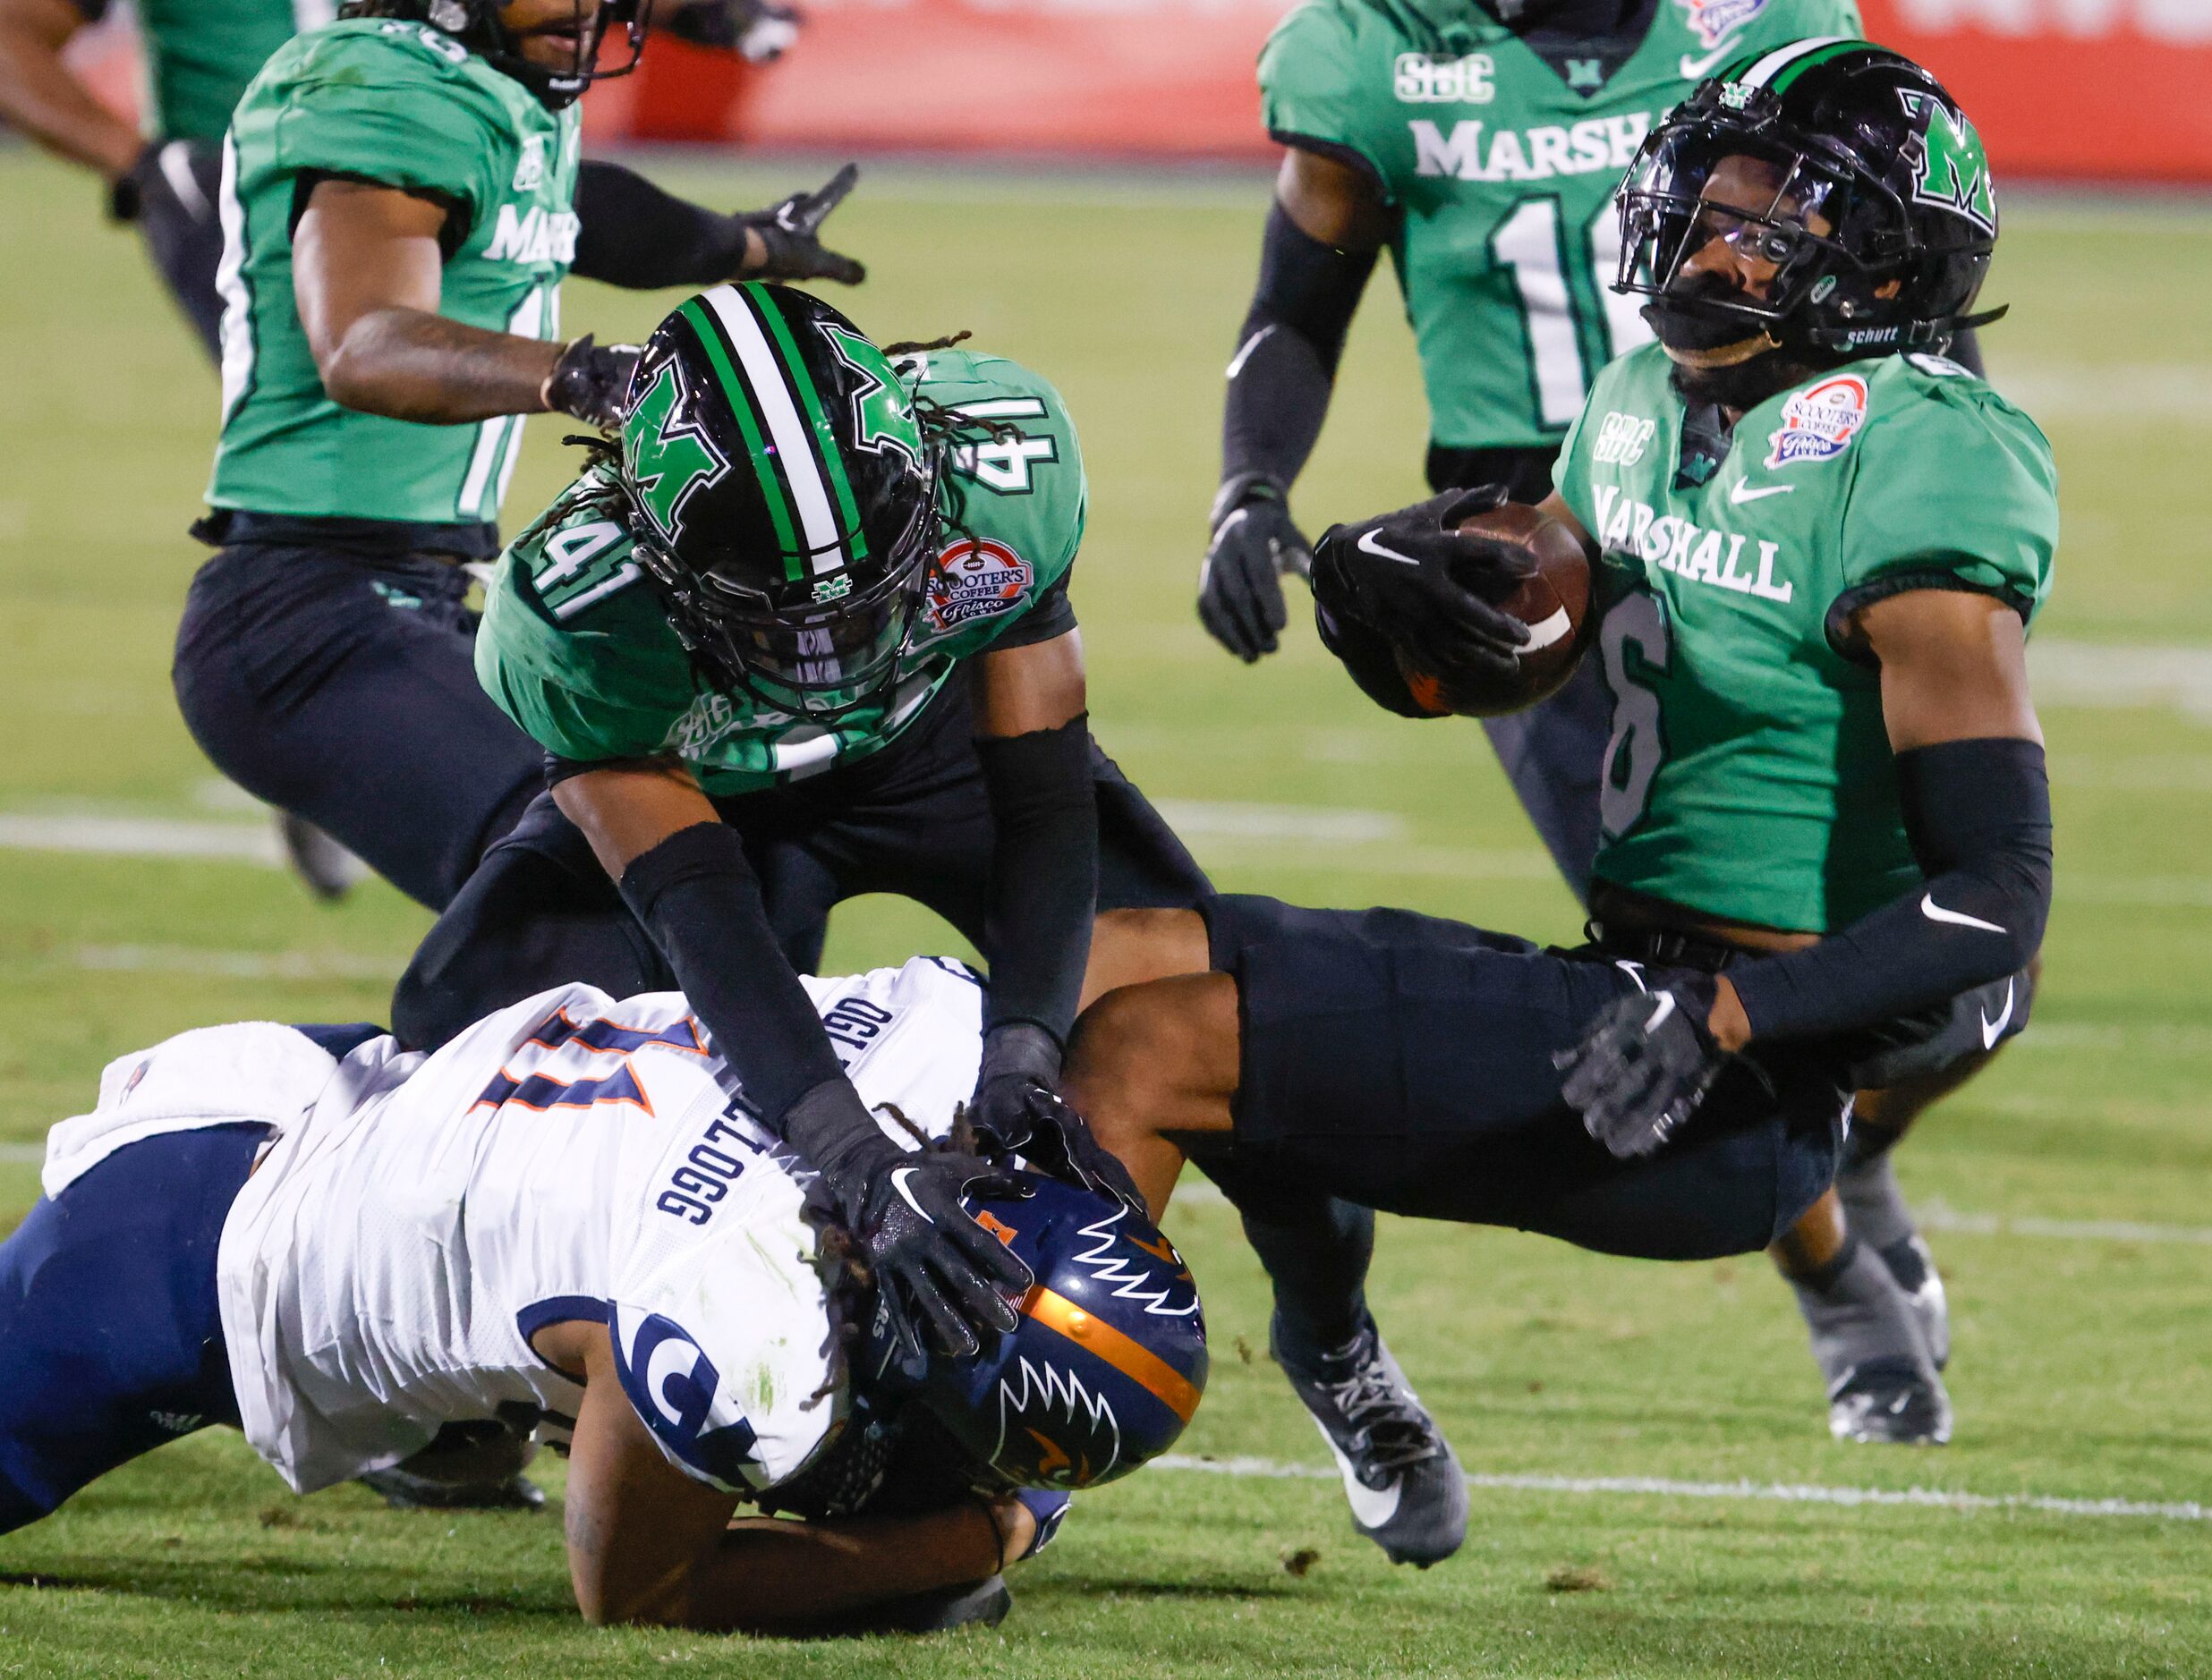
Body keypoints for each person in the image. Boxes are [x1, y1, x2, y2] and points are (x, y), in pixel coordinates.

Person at [1093, 39, 2051, 1561]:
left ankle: (988, 1479)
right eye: (1702, 208)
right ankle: (1332, 1343)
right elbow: (1515, 634)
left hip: (1712, 1085)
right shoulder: (1639, 397)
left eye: (1763, 224)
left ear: (1878, 262)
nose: (1704, 243)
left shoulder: (1921, 452)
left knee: (1156, 1036)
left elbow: (1996, 897)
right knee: (1138, 952)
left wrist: (1730, 1018)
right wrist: (1397, 601)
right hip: (1623, 985)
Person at [393, 282, 1212, 1379]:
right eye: (787, 615)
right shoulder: (574, 616)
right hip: (713, 776)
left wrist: (1025, 1051)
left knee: (1222, 1003)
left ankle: (1330, 1327)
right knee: (466, 1035)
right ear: (656, 550)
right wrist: (850, 1154)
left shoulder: (1001, 467)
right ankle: (500, 1375)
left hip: (935, 736)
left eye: (868, 593)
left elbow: (1042, 795)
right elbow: (701, 908)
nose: (834, 647)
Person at [0, 957, 1210, 1634]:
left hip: (368, 1087)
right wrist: (980, 1527)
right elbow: (637, 1592)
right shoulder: (745, 1309)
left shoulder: (946, 1046)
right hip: (202, 1262)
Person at [0, 0, 800, 896]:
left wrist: (750, 242)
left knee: (737, 848)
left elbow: (575, 207)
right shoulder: (384, 92)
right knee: (599, 863)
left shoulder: (493, 95)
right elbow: (363, 347)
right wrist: (584, 374)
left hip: (401, 583)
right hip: (310, 601)